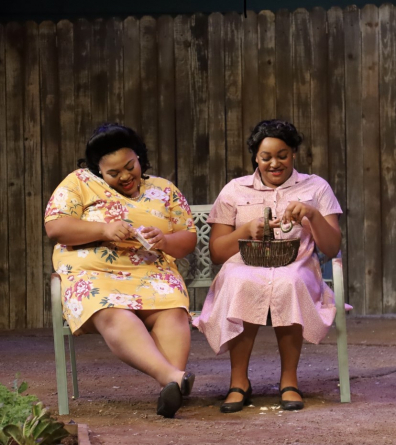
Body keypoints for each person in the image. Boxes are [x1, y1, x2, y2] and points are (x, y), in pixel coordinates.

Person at [45, 123, 197, 418]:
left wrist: (164, 240)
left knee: (173, 310)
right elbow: (56, 227)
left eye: (130, 166)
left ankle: (172, 385)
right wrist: (104, 228)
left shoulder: (164, 190)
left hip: (151, 274)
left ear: (139, 157)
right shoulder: (79, 182)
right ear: (99, 171)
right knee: (113, 309)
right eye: (114, 173)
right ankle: (172, 378)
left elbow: (188, 238)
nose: (126, 176)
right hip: (94, 275)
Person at [193, 119, 342, 413]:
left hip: (295, 266)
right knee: (241, 281)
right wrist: (245, 230)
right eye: (266, 157)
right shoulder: (235, 190)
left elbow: (332, 247)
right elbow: (218, 253)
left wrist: (312, 214)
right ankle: (239, 382)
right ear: (256, 158)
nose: (275, 163)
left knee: (290, 281)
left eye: (282, 155)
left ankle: (289, 380)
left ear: (294, 153)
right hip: (243, 267)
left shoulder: (316, 187)